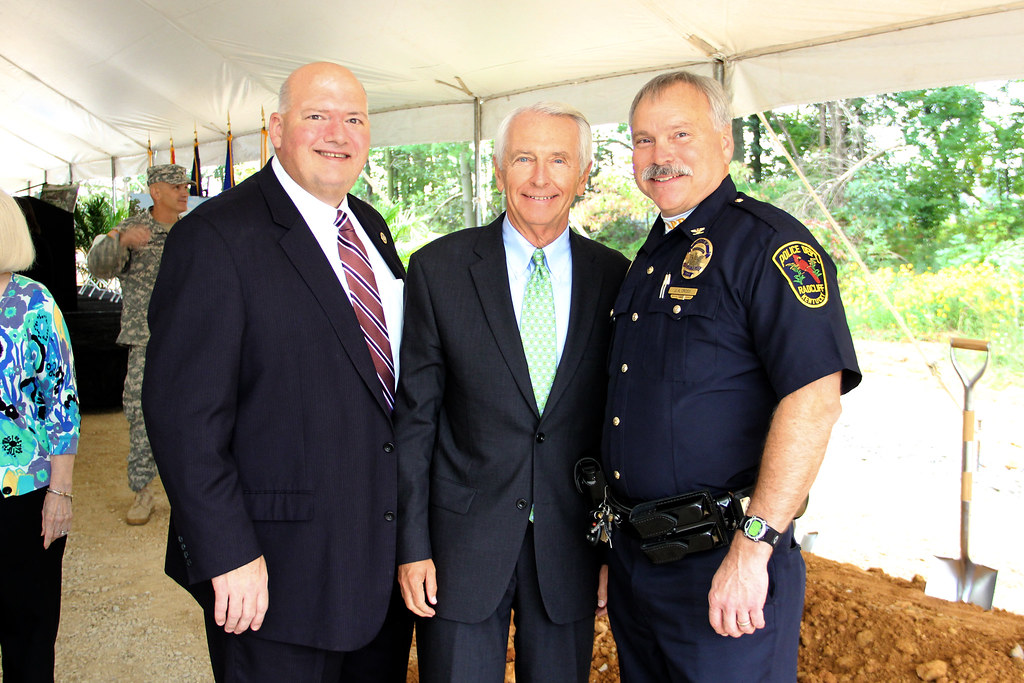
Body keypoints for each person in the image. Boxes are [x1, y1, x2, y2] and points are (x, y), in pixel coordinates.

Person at [142, 62, 412, 681]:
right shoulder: (215, 236)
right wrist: (227, 552)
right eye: (317, 116)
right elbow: (184, 418)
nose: (337, 133)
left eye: (354, 119)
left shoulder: (369, 226)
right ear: (277, 128)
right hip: (273, 578)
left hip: (375, 571)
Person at [601, 71, 862, 682]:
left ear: (726, 140)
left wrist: (753, 549)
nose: (660, 155)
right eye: (643, 140)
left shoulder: (771, 247)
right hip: (639, 563)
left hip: (725, 564)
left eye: (680, 134)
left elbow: (814, 402)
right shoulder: (651, 257)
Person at [395, 102, 629, 682]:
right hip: (459, 549)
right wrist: (412, 545)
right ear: (499, 170)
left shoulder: (615, 276)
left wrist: (610, 549)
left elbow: (617, 423)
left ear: (583, 174)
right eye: (524, 158)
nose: (540, 177)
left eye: (559, 160)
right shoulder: (438, 269)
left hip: (570, 549)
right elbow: (416, 419)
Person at [0, 189, 80, 681]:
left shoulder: (34, 304)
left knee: (28, 638)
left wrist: (60, 493)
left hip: (23, 497)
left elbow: (62, 407)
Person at [86, 164, 191, 525]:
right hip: (146, 340)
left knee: (193, 415)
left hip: (190, 342)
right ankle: (143, 492)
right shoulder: (132, 229)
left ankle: (190, 492)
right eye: (175, 186)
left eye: (185, 185)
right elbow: (99, 268)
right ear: (154, 191)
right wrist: (119, 241)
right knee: (141, 414)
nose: (184, 191)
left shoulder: (193, 230)